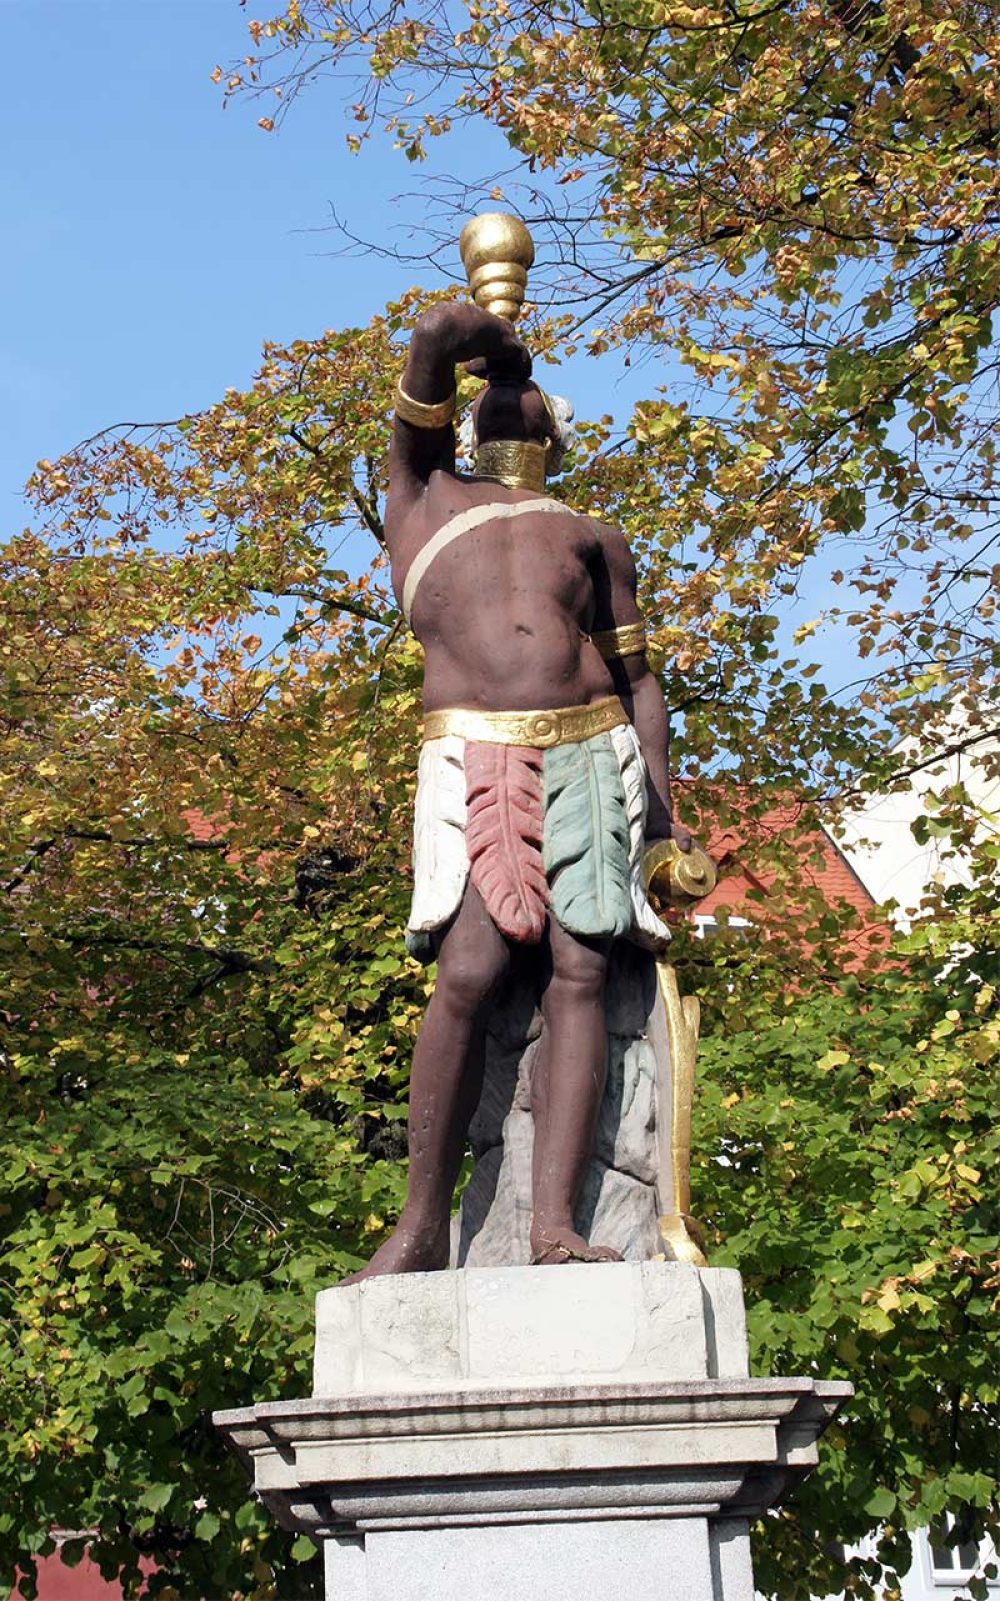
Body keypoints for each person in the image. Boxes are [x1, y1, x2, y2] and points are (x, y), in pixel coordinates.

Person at [352, 301, 691, 1278]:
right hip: (475, 753)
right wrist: (492, 341)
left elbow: (639, 681)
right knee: (466, 969)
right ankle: (420, 1225)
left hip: (591, 750)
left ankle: (553, 1224)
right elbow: (429, 341)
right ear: (462, 422)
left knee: (580, 971)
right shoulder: (421, 498)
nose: (515, 400)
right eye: (499, 396)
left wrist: (662, 812)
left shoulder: (592, 534)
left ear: (555, 431)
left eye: (530, 394)